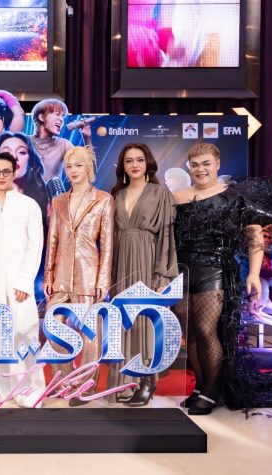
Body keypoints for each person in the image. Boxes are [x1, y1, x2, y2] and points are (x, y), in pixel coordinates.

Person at [171, 142, 263, 415]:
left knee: (206, 329)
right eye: (195, 165)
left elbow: (255, 235)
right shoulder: (177, 197)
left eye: (206, 164)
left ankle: (211, 392)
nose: (200, 169)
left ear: (218, 164)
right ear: (189, 167)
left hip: (215, 270)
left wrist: (255, 274)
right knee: (191, 334)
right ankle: (200, 387)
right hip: (182, 271)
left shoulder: (235, 196)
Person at [0, 152, 46, 408]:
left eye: (6, 171)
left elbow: (36, 246)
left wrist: (25, 282)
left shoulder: (28, 205)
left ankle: (31, 391)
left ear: (14, 173)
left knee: (24, 334)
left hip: (19, 282)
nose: (1, 176)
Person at [43, 147, 114, 406]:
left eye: (78, 165)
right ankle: (64, 381)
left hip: (88, 275)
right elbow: (52, 240)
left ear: (88, 168)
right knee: (53, 328)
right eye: (69, 166)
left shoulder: (103, 199)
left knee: (90, 335)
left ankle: (85, 385)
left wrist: (103, 280)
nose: (73, 170)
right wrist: (48, 275)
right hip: (60, 276)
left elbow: (107, 243)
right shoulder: (59, 201)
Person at [108, 143, 178, 406]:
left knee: (145, 321)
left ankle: (146, 382)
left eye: (139, 159)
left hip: (147, 262)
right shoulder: (116, 194)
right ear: (123, 166)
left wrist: (162, 276)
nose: (134, 165)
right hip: (121, 265)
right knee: (124, 322)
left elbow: (167, 237)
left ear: (148, 163)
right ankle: (126, 382)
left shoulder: (161, 193)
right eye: (129, 161)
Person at [29, 99, 91, 184]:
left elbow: (88, 168)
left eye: (63, 116)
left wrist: (87, 138)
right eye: (57, 114)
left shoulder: (64, 144)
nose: (61, 120)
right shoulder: (23, 142)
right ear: (41, 117)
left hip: (55, 193)